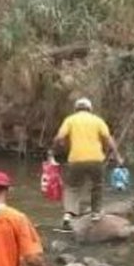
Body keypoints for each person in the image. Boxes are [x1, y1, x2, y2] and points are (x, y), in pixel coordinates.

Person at [53, 97, 123, 231]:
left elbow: (60, 138)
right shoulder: (97, 120)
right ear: (90, 109)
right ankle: (96, 213)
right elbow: (108, 139)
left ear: (76, 108)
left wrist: (56, 150)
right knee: (97, 185)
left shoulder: (70, 120)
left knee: (73, 187)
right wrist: (117, 157)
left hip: (76, 159)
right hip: (96, 159)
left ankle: (68, 215)